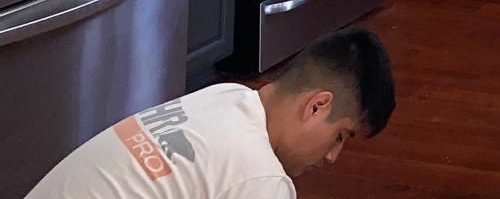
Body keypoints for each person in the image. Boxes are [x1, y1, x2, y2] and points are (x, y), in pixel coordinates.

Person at [26, 28, 396, 198]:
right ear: (317, 106)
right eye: (340, 136)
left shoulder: (225, 96)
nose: (332, 156)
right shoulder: (261, 181)